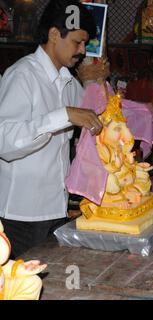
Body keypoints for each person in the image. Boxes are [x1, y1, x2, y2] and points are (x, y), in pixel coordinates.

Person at [0, 0, 101, 258]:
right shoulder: (22, 75)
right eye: (77, 42)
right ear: (55, 34)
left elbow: (97, 115)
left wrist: (137, 111)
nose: (81, 50)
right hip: (20, 216)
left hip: (57, 210)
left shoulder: (70, 83)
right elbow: (6, 142)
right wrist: (63, 115)